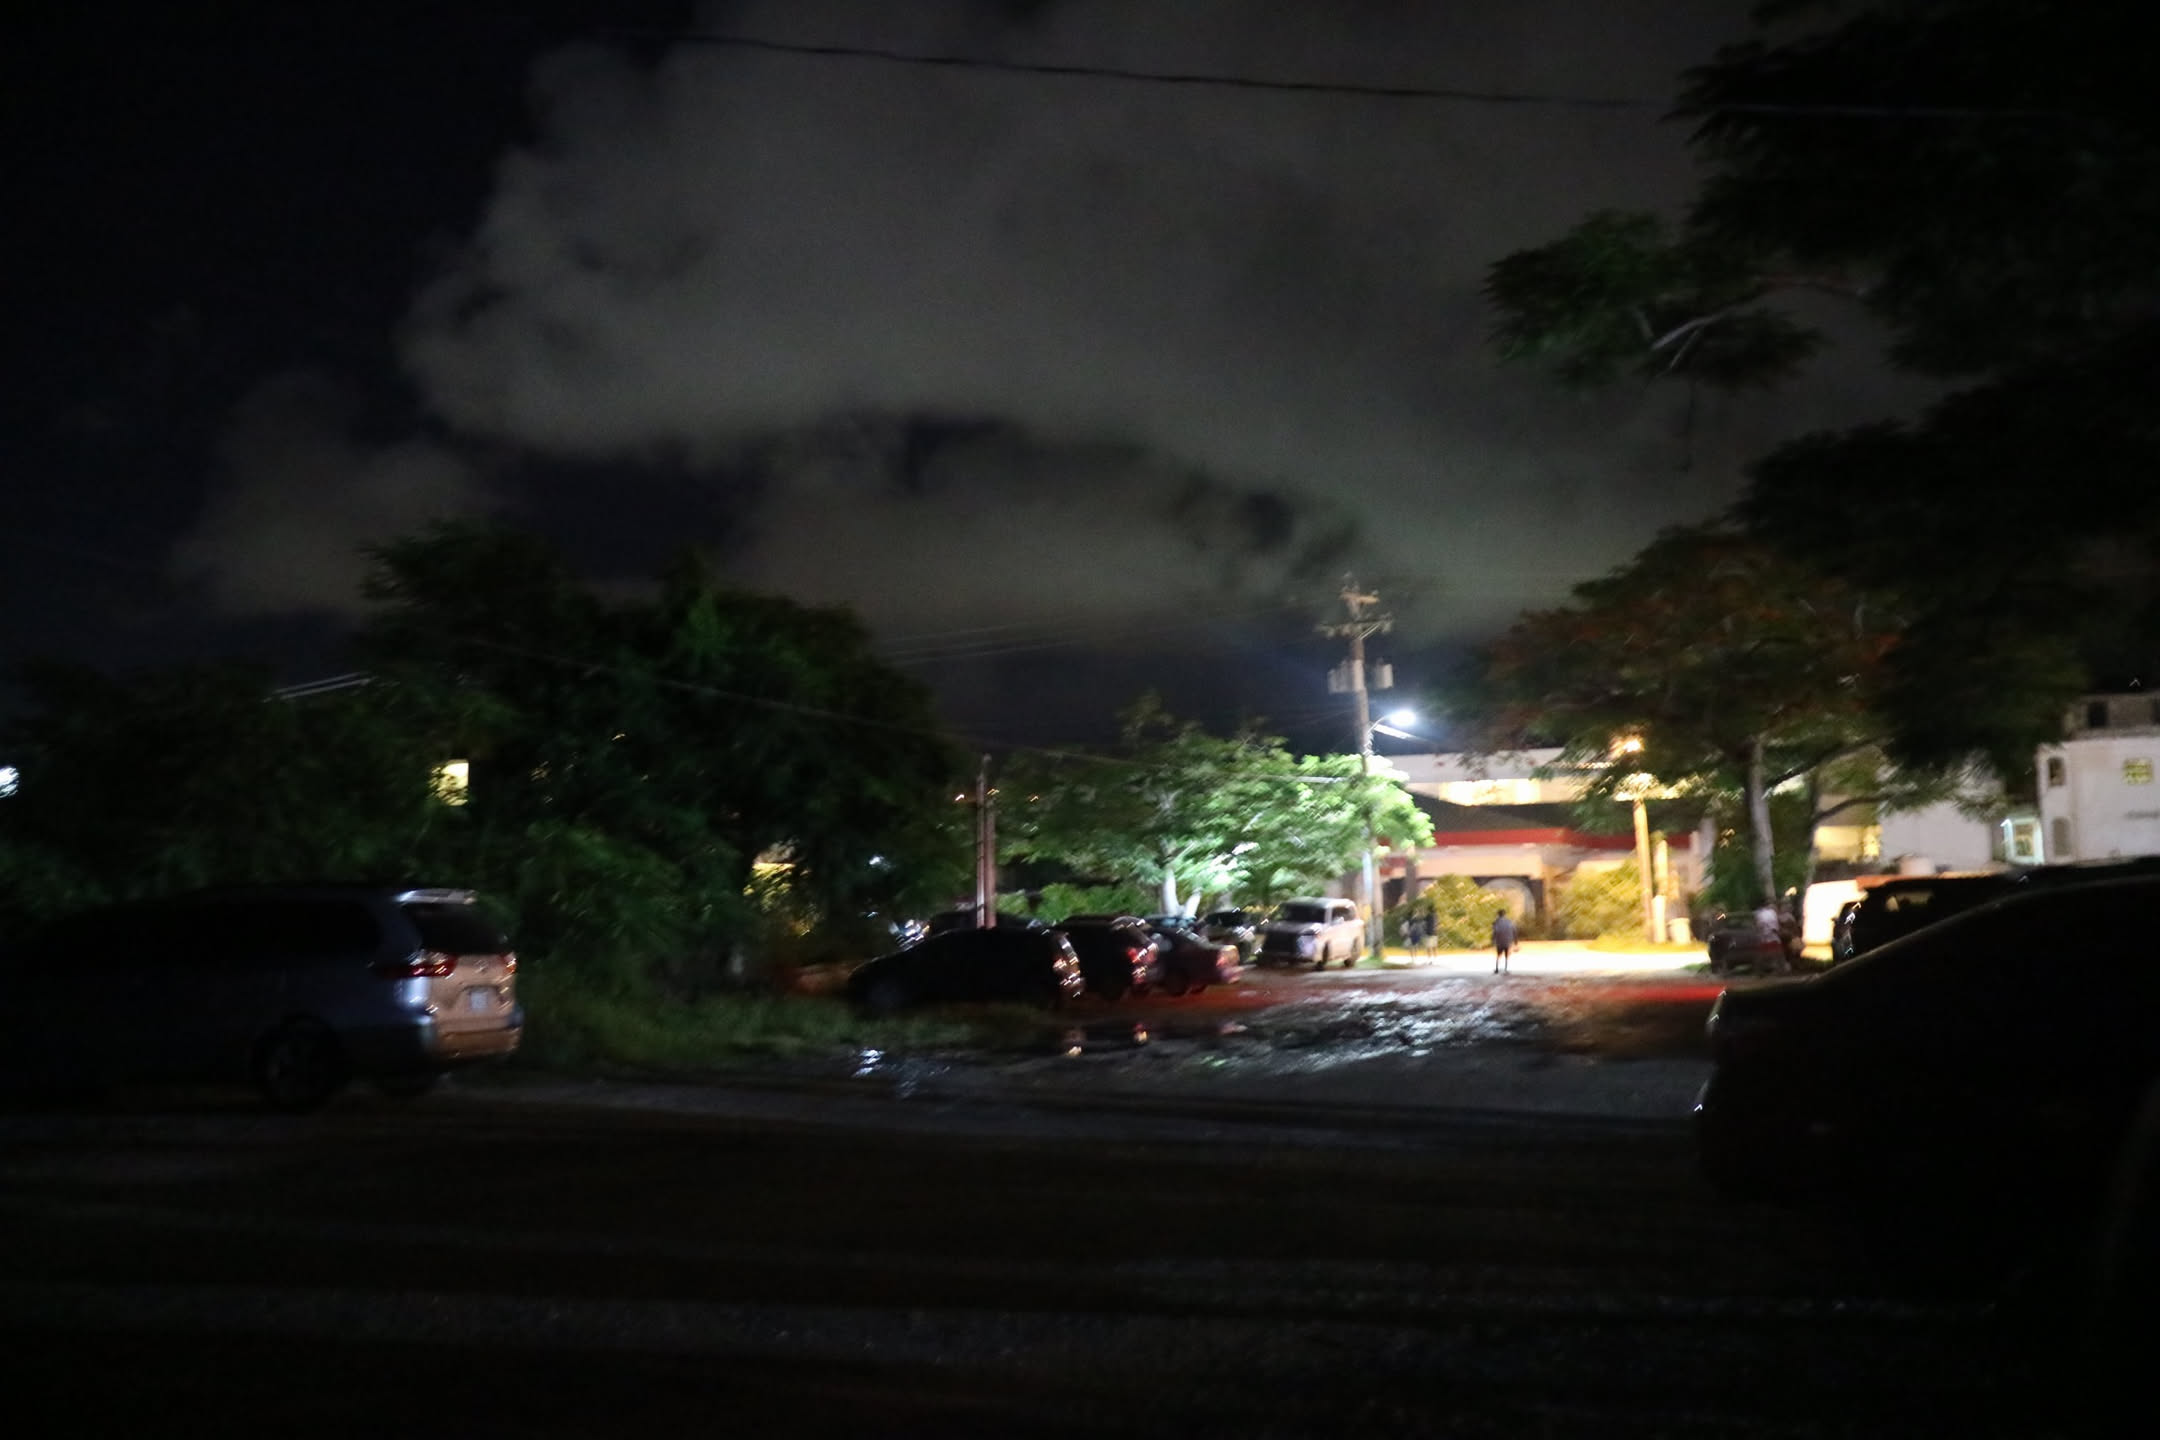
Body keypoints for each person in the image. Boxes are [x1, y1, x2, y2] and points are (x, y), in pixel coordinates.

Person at [1491, 909, 1517, 975]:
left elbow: (1495, 932)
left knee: (1499, 955)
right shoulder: (1509, 922)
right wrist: (1515, 941)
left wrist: (1493, 940)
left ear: (1498, 914)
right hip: (1508, 941)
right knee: (1507, 955)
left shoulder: (1496, 922)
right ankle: (1506, 968)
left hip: (1499, 941)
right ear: (1505, 914)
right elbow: (1514, 931)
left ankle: (1497, 968)